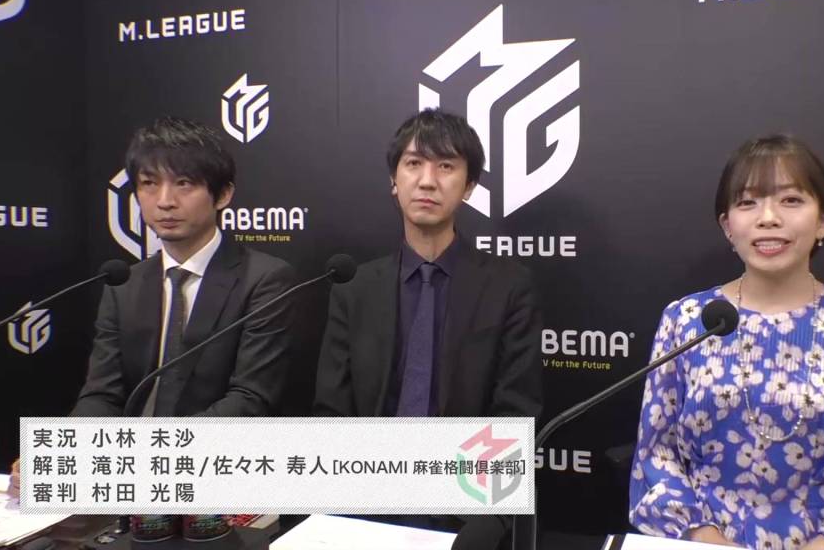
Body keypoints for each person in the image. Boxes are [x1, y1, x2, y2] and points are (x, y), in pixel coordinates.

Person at [629, 135, 824, 549]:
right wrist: (705, 538)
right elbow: (657, 457)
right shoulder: (686, 320)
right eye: (747, 203)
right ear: (727, 225)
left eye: (791, 200)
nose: (768, 218)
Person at [314, 108, 542, 549]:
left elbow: (515, 413)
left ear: (469, 186)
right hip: (366, 505)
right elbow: (332, 411)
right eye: (414, 163)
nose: (427, 181)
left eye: (446, 166)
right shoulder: (354, 288)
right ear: (394, 180)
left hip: (464, 509)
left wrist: (485, 519)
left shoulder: (509, 287)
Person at [72, 116, 296, 416]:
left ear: (223, 195)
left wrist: (162, 444)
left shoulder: (264, 279)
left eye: (184, 183)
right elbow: (102, 394)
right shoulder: (124, 284)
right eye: (149, 184)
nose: (165, 201)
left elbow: (249, 399)